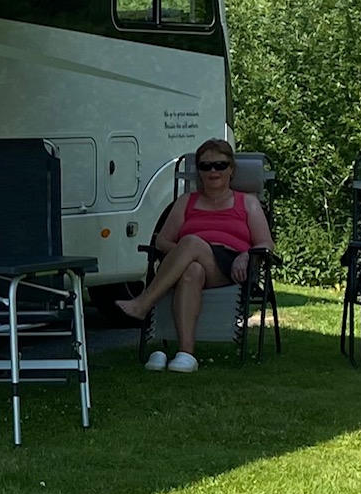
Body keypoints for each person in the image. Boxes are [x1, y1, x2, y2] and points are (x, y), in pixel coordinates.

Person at [113, 138, 273, 374]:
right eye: (205, 166)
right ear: (199, 171)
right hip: (192, 264)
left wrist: (246, 256)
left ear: (231, 169)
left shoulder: (247, 202)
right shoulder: (186, 202)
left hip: (230, 266)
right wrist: (183, 256)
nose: (213, 171)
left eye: (220, 165)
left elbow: (266, 243)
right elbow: (162, 240)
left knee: (190, 242)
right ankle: (186, 355)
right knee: (192, 270)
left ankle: (144, 303)